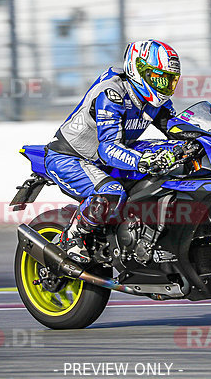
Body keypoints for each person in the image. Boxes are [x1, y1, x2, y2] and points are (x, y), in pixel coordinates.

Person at [45, 39, 182, 263]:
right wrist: (142, 161)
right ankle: (71, 237)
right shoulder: (111, 93)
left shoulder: (155, 101)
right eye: (158, 78)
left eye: (169, 81)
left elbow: (178, 129)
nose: (163, 86)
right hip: (71, 157)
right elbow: (108, 148)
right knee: (112, 193)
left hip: (104, 160)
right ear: (138, 70)